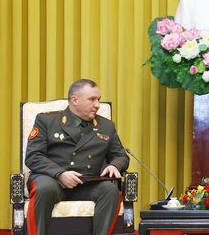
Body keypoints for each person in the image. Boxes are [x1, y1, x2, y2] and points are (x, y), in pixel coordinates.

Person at [25, 79, 130, 235]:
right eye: (92, 99)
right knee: (44, 189)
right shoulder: (47, 120)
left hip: (86, 183)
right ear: (74, 100)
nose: (97, 105)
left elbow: (120, 155)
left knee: (110, 190)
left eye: (98, 100)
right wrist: (60, 174)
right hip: (51, 180)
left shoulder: (106, 126)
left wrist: (114, 165)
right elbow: (33, 156)